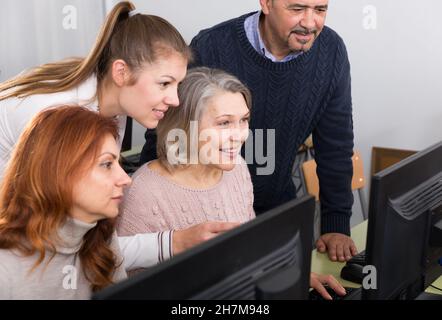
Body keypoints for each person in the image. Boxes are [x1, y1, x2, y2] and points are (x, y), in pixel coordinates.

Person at [0, 1, 236, 267]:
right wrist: (173, 243)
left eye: (177, 85)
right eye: (164, 83)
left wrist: (176, 241)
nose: (175, 100)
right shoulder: (59, 118)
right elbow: (66, 247)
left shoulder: (113, 108)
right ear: (121, 72)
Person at [140, 0, 357, 262]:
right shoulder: (212, 47)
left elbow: (336, 145)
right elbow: (164, 137)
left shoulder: (331, 52)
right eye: (297, 9)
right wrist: (154, 211)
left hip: (276, 209)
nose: (310, 23)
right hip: (207, 218)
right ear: (266, 3)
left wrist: (336, 224)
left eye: (320, 10)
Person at [122, 67, 346, 300]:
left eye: (243, 120)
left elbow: (247, 255)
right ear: (185, 127)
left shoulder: (237, 168)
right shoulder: (144, 191)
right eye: (224, 123)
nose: (240, 135)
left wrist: (287, 274)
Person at [0, 106, 132, 299]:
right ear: (59, 171)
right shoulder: (5, 267)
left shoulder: (101, 234)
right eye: (106, 164)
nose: (126, 179)